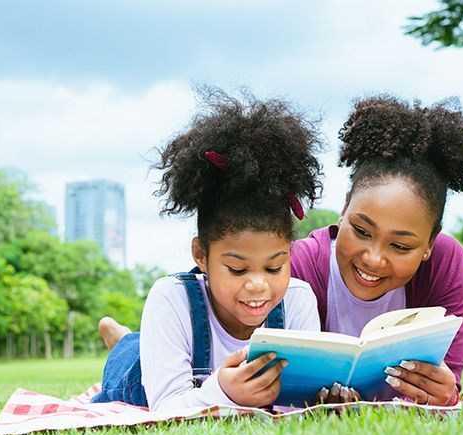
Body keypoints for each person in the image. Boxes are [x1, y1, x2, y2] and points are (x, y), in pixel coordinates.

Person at [91, 88, 325, 411]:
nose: (258, 284)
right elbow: (167, 409)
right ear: (201, 255)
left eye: (274, 267)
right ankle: (122, 340)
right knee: (131, 359)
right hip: (141, 378)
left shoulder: (299, 301)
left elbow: (300, 405)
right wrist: (224, 391)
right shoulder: (171, 299)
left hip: (175, 358)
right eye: (238, 269)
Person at [291, 95, 463, 406]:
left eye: (400, 246)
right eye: (362, 231)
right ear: (343, 211)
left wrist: (444, 392)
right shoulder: (301, 264)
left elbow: (449, 383)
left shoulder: (446, 264)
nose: (373, 258)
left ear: (429, 244)